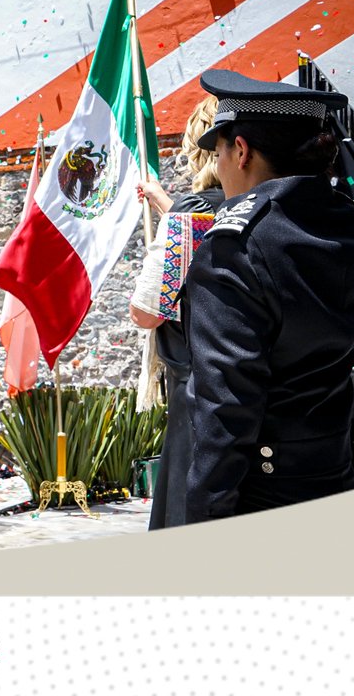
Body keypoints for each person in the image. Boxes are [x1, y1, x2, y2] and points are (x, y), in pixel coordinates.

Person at [180, 69, 354, 523]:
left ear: (241, 150)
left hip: (259, 486)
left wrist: (203, 516)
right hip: (333, 464)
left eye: (218, 152)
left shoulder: (236, 242)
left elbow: (226, 409)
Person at [128, 96, 226, 530]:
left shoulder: (191, 215)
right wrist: (165, 204)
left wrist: (171, 213)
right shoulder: (262, 205)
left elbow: (147, 312)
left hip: (196, 391)